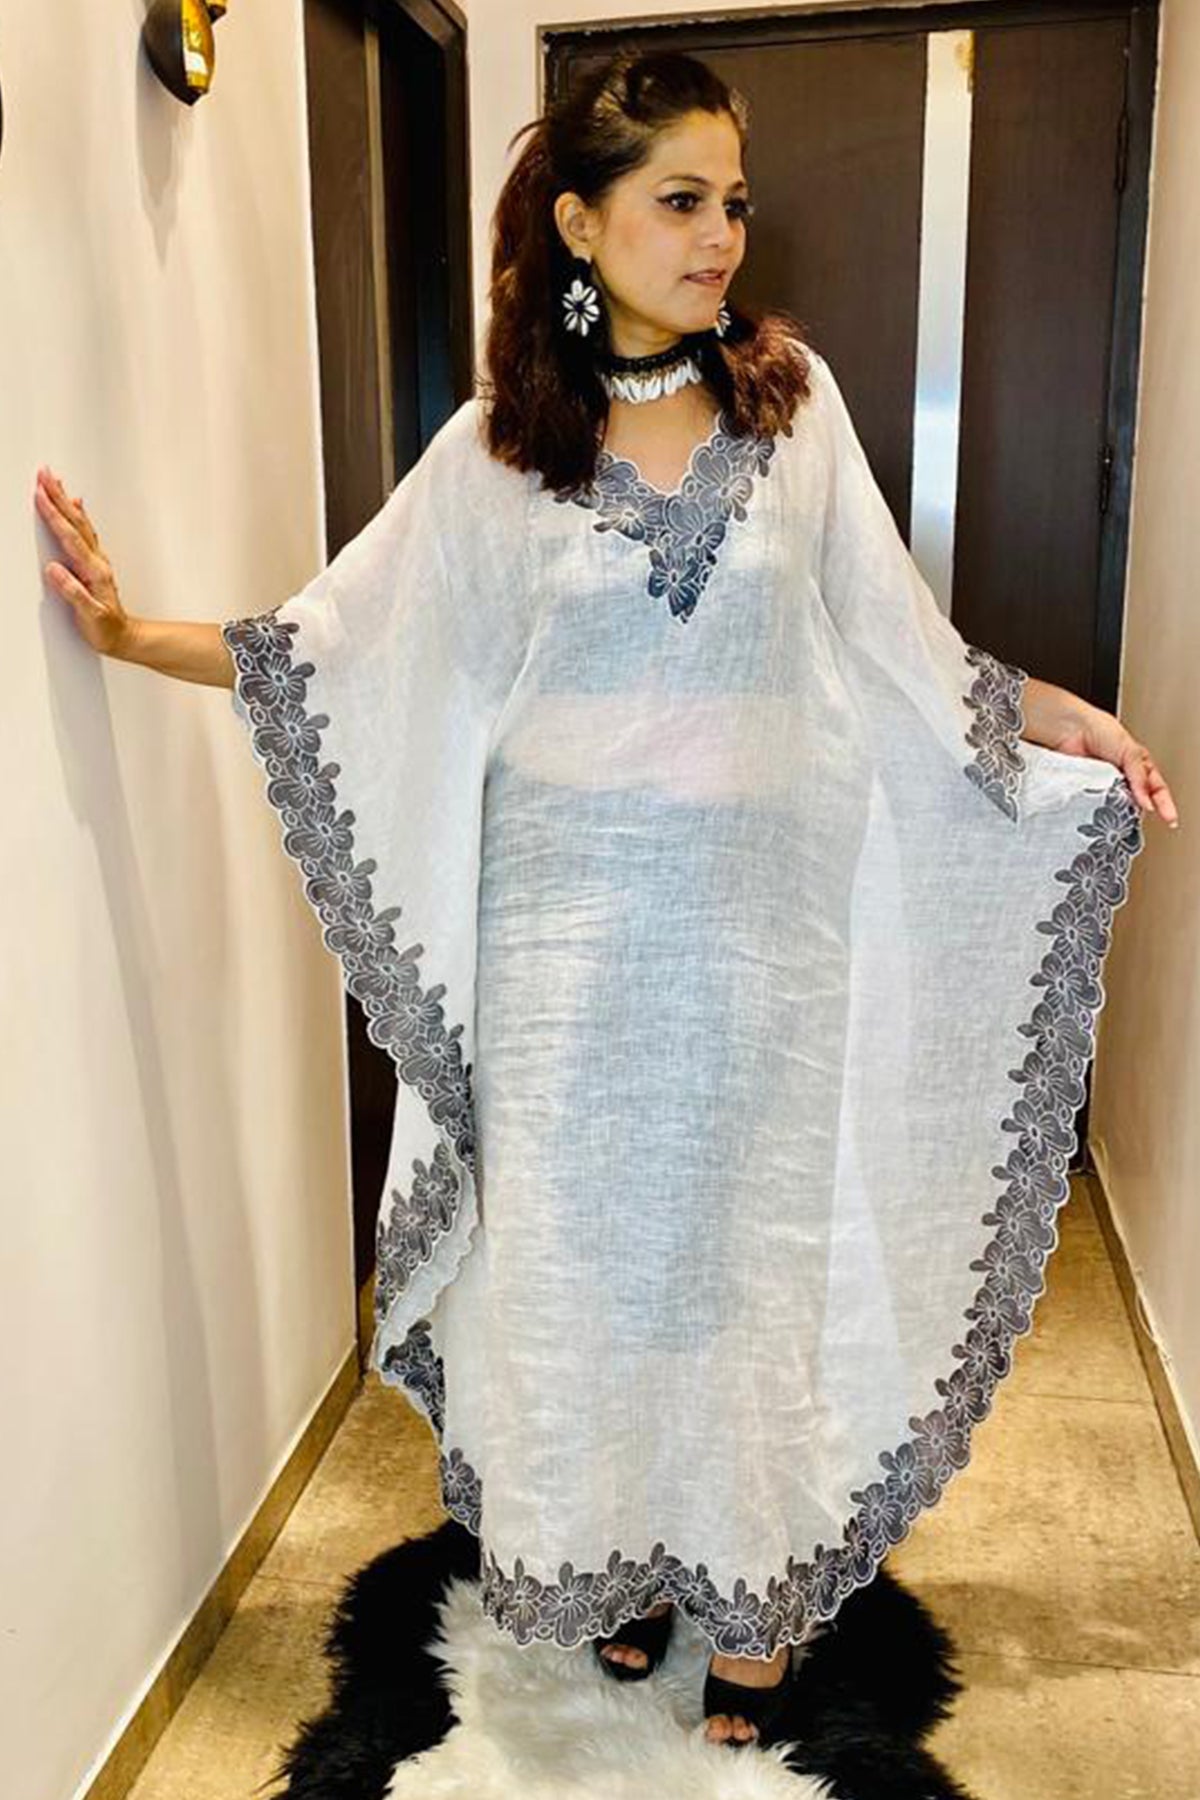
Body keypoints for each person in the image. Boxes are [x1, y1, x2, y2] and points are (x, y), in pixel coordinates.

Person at [34, 48, 1177, 1757]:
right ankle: (624, 1557)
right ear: (580, 224)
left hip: (763, 950)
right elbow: (339, 644)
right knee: (594, 1281)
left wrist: (1060, 715)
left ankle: (757, 1605)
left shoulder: (793, 409)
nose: (721, 238)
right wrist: (133, 637)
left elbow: (902, 645)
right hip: (564, 957)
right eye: (680, 202)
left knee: (747, 1276)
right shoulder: (501, 453)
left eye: (734, 204)